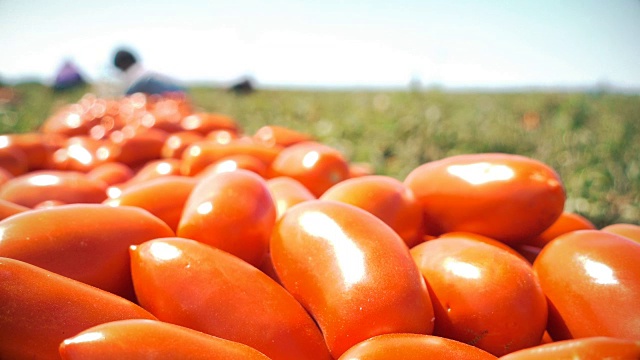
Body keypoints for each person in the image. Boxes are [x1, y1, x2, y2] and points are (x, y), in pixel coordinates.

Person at [112, 48, 186, 96]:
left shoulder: (139, 76)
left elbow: (129, 95)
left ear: (124, 64)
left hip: (171, 105)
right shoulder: (147, 69)